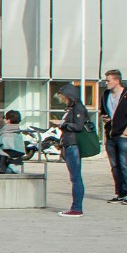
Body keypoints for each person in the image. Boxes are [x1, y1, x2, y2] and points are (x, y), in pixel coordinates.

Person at [101, 69, 127, 204]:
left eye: (108, 80)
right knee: (114, 165)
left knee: (124, 164)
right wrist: (105, 118)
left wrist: (126, 133)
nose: (106, 83)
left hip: (123, 136)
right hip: (110, 135)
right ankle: (119, 192)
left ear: (116, 81)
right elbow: (104, 112)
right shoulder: (106, 95)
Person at [51, 83, 89, 218]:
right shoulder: (72, 108)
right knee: (75, 177)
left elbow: (78, 126)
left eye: (63, 97)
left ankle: (77, 208)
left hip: (73, 145)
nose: (62, 100)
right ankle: (76, 207)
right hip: (68, 144)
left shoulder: (77, 108)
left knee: (76, 178)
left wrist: (62, 124)